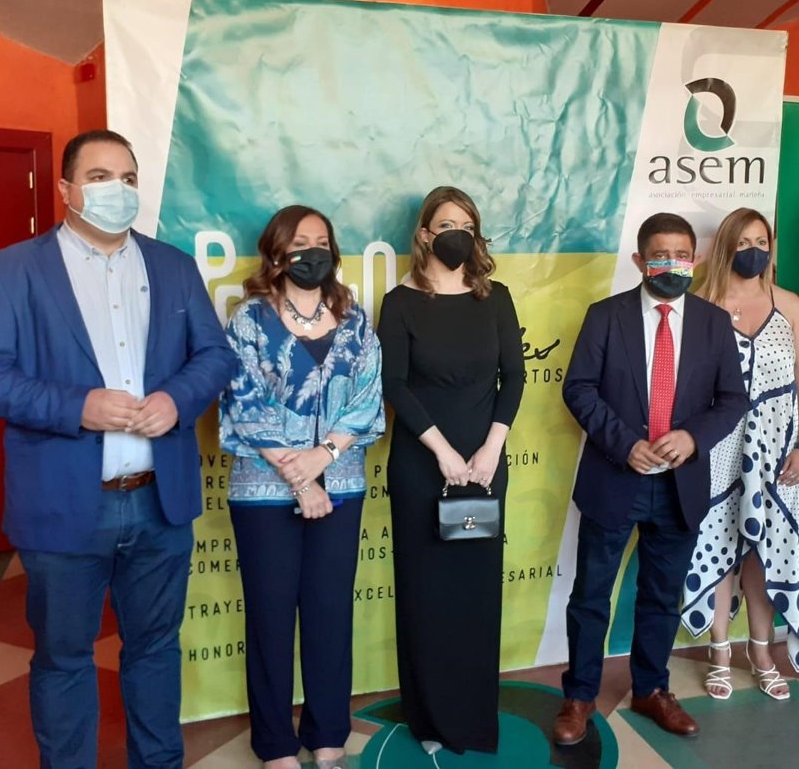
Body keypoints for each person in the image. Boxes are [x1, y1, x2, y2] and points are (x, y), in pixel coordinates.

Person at [0, 129, 236, 769]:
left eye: (128, 178)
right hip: (63, 505)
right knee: (64, 657)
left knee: (155, 650)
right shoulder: (12, 271)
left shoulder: (172, 267)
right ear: (66, 189)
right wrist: (75, 405)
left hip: (160, 502)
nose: (118, 190)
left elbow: (215, 356)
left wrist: (177, 400)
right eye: (101, 177)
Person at [554, 212, 748, 746]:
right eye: (660, 255)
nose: (672, 264)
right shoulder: (605, 316)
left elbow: (732, 399)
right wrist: (625, 444)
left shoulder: (712, 322)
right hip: (615, 479)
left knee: (661, 596)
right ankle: (579, 697)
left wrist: (692, 438)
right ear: (640, 260)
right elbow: (579, 388)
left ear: (696, 259)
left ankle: (652, 689)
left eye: (681, 255)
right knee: (591, 596)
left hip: (681, 484)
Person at [219, 206, 384, 769]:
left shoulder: (355, 320)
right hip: (262, 492)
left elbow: (366, 398)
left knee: (329, 611)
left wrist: (323, 458)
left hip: (341, 484)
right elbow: (244, 403)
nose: (312, 251)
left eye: (322, 242)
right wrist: (299, 476)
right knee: (269, 616)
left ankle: (328, 733)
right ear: (276, 253)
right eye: (299, 242)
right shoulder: (248, 320)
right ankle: (274, 745)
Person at [377, 186, 525, 755]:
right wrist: (441, 451)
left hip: (485, 465)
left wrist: (491, 450)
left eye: (466, 224)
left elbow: (513, 376)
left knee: (475, 591)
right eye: (445, 224)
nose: (456, 233)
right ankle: (430, 719)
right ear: (424, 234)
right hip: (422, 465)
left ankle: (472, 717)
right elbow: (395, 384)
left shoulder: (496, 298)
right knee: (427, 592)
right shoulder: (401, 302)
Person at [679, 208, 799, 702]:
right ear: (725, 248)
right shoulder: (701, 304)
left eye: (761, 242)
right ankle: (719, 651)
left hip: (781, 448)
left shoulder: (790, 304)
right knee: (718, 547)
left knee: (769, 550)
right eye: (743, 243)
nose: (754, 251)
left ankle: (762, 652)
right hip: (718, 446)